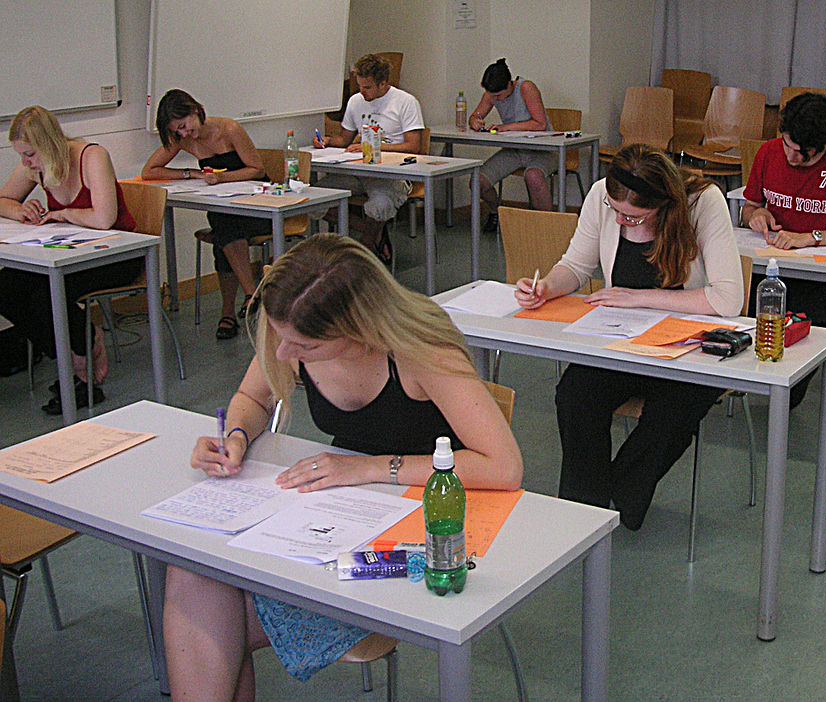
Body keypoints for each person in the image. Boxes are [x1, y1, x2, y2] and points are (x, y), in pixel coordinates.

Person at [164, 233, 522, 700]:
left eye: (302, 347)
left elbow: (503, 466)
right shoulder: (294, 328)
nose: (281, 354)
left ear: (355, 327)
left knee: (210, 610)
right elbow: (253, 395)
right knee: (195, 569)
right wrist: (232, 435)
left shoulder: (421, 350)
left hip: (427, 539)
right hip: (343, 518)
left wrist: (371, 468)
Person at [515, 143, 743, 530]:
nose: (620, 221)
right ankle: (582, 509)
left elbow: (728, 299)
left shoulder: (703, 202)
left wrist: (638, 298)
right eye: (616, 211)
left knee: (672, 412)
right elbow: (576, 263)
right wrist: (548, 287)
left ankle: (623, 493)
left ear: (663, 205)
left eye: (633, 218)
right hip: (622, 342)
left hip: (687, 348)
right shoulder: (603, 196)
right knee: (574, 396)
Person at [0, 105, 138, 414]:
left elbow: (104, 219)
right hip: (67, 252)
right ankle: (79, 349)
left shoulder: (92, 156)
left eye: (30, 155)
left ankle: (79, 363)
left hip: (117, 253)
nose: (25, 162)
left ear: (49, 144)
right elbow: (3, 200)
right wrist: (20, 210)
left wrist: (62, 213)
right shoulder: (35, 164)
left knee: (46, 294)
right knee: (6, 288)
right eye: (21, 155)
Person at [742, 92, 826, 406]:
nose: (791, 156)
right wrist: (757, 216)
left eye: (802, 152)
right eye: (787, 144)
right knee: (740, 316)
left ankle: (782, 393)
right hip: (770, 269)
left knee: (801, 334)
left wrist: (810, 237)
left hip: (821, 278)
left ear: (823, 147)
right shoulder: (769, 152)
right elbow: (750, 207)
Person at [142, 89, 267, 340]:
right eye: (178, 131)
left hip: (258, 204)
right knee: (223, 228)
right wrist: (192, 173)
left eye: (185, 126)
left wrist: (221, 177)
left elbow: (256, 168)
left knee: (223, 231)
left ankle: (233, 308)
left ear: (194, 110)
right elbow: (150, 170)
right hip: (225, 207)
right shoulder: (183, 139)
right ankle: (251, 296)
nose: (185, 134)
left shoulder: (229, 129)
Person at [313, 53, 424, 266]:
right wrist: (327, 141)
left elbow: (414, 146)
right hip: (358, 171)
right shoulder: (356, 101)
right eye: (359, 86)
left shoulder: (405, 102)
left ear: (383, 84)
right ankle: (374, 234)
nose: (361, 92)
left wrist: (375, 146)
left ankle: (363, 251)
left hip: (392, 173)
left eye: (367, 88)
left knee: (380, 205)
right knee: (315, 198)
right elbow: (344, 139)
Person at [469, 58, 556, 231]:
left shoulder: (526, 88)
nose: (495, 99)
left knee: (533, 176)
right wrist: (475, 122)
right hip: (515, 150)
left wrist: (505, 127)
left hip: (544, 150)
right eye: (493, 96)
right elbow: (475, 116)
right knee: (478, 181)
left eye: (499, 96)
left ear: (510, 84)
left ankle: (548, 226)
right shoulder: (492, 93)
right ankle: (497, 213)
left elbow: (540, 124)